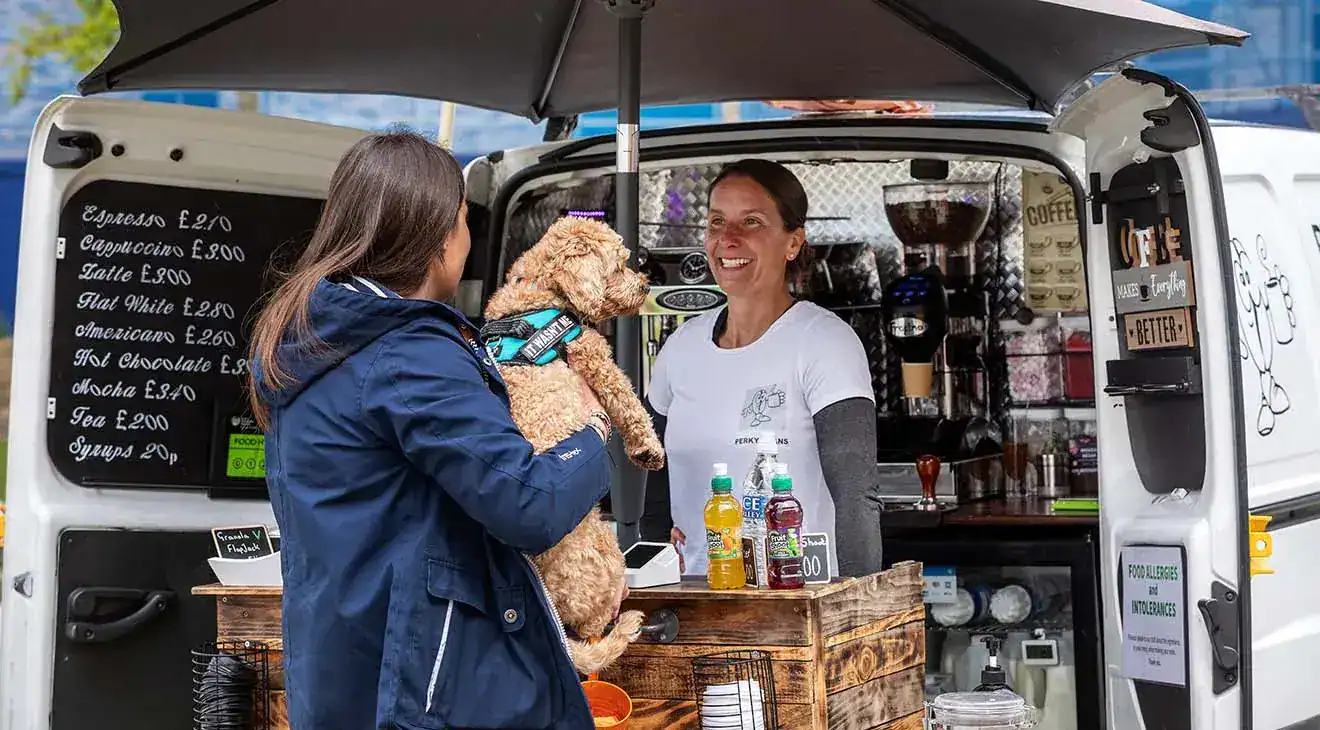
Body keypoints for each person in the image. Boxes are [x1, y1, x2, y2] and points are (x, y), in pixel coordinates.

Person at [247, 130, 623, 730]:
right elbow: (528, 503)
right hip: (432, 695)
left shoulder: (313, 339)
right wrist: (593, 428)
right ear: (439, 236)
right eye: (464, 220)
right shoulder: (409, 353)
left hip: (349, 679)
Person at [643, 158, 883, 580]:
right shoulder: (680, 349)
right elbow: (646, 481)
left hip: (796, 599)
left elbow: (855, 497)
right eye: (717, 222)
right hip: (693, 598)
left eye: (751, 221)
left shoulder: (824, 342)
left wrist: (855, 613)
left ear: (793, 243)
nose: (728, 239)